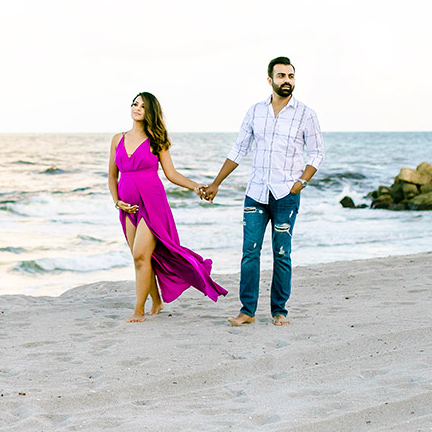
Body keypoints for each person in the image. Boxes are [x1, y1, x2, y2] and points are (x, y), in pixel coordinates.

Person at [203, 57, 324, 327]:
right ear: (270, 80)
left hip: (286, 195)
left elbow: (317, 154)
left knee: (282, 253)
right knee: (250, 252)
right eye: (281, 76)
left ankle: (279, 311)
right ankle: (247, 311)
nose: (287, 81)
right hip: (256, 192)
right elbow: (239, 150)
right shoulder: (255, 111)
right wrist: (216, 183)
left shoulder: (306, 114)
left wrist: (301, 182)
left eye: (291, 76)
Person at [109, 92, 227, 322]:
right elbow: (112, 177)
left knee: (141, 255)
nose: (137, 108)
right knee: (142, 258)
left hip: (152, 204)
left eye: (142, 106)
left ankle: (138, 310)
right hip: (127, 207)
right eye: (134, 104)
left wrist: (195, 187)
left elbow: (171, 174)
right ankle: (157, 302)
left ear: (150, 111)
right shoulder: (117, 139)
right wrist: (117, 201)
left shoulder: (157, 140)